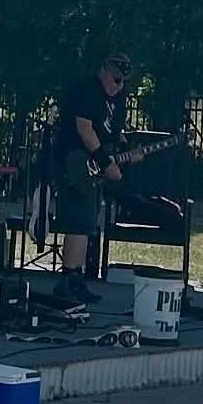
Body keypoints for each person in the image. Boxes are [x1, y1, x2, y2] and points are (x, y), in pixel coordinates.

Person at [50, 52, 133, 304]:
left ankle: (76, 278)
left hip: (97, 161)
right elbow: (84, 130)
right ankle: (68, 280)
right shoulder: (87, 90)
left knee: (87, 220)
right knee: (80, 216)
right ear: (104, 71)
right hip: (76, 158)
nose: (117, 86)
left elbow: (113, 134)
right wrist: (106, 162)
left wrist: (124, 154)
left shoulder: (118, 99)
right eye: (114, 79)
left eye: (122, 82)